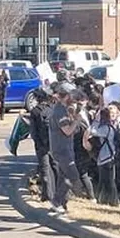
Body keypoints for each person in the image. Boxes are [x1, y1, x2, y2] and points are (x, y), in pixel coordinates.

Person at [46, 86, 85, 215]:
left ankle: (60, 203)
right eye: (72, 97)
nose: (73, 100)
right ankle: (57, 202)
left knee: (63, 177)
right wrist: (77, 121)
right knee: (72, 175)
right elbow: (67, 131)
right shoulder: (59, 112)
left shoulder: (63, 110)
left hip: (65, 149)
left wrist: (73, 116)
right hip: (61, 150)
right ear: (67, 96)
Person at [91, 103, 120, 206]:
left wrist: (95, 120)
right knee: (105, 180)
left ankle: (113, 201)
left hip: (106, 157)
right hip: (107, 156)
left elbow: (93, 131)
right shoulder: (110, 127)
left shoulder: (105, 128)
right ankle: (104, 199)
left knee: (108, 181)